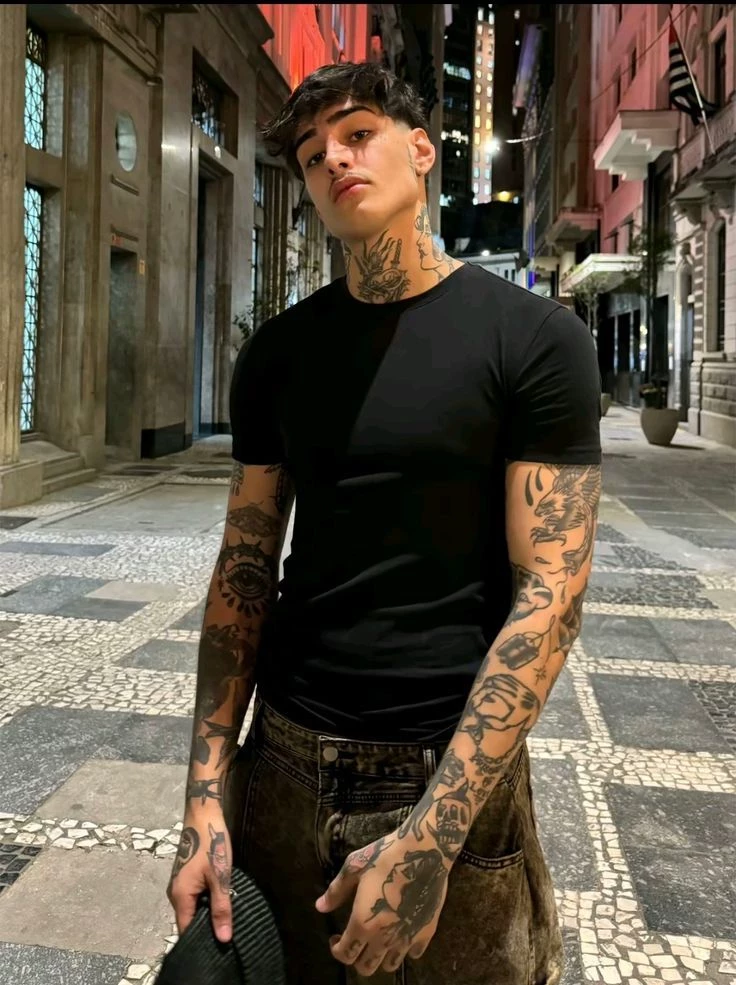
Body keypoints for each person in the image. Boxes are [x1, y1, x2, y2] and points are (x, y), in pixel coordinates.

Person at [168, 61, 602, 985]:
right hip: (284, 765)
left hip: (445, 772)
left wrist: (433, 837)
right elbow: (245, 570)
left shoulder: (535, 340)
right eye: (311, 151)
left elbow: (551, 595)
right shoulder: (279, 355)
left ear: (421, 151)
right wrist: (205, 795)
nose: (333, 158)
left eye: (357, 133)